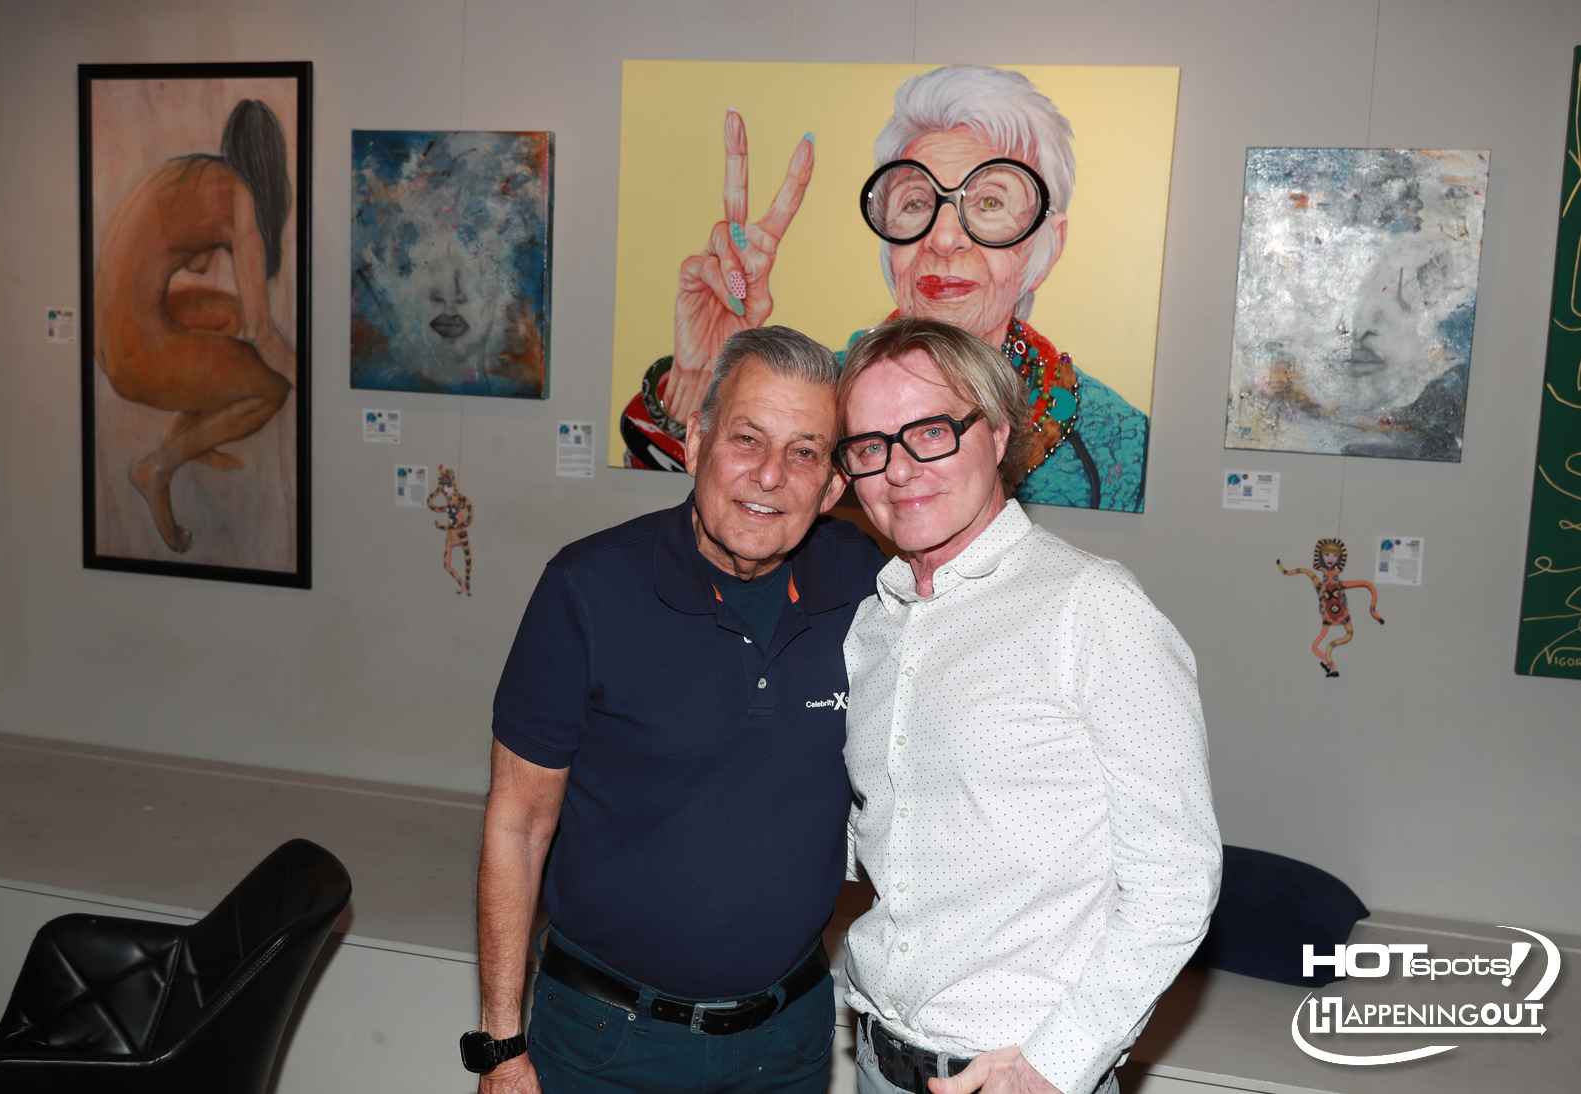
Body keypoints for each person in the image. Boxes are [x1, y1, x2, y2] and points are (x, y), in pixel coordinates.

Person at [473, 326, 890, 1093]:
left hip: (787, 1045)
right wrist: (499, 1047)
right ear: (695, 442)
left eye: (804, 452)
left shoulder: (868, 587)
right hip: (606, 1044)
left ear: (833, 486)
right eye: (746, 439)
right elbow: (517, 823)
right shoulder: (586, 590)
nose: (769, 475)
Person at [833, 317, 1220, 1094]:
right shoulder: (873, 625)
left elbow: (1176, 880)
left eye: (931, 432)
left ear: (998, 433)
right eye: (870, 445)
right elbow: (889, 832)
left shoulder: (1091, 607)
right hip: (876, 1060)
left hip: (1017, 1074)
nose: (899, 470)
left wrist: (1052, 1066)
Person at [620, 65, 1149, 512]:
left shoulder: (1117, 442)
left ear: (1046, 247)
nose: (944, 238)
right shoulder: (817, 394)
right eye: (916, 203)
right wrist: (697, 381)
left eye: (989, 203)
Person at [96, 98, 295, 554]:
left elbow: (196, 261)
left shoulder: (196, 174)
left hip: (105, 334)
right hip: (133, 352)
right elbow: (263, 334)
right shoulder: (243, 200)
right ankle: (156, 467)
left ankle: (183, 436)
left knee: (232, 313)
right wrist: (312, 386)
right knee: (273, 387)